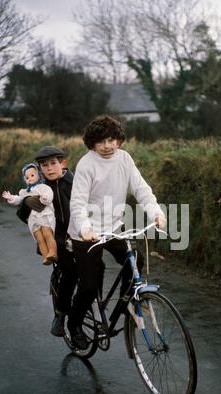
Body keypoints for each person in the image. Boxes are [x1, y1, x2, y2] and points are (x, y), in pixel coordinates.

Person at [67, 115, 166, 349]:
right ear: (92, 143)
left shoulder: (124, 159)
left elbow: (141, 188)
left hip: (112, 228)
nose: (107, 146)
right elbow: (78, 202)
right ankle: (74, 324)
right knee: (89, 285)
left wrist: (155, 212)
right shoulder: (87, 164)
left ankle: (127, 303)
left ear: (119, 140)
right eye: (101, 142)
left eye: (112, 140)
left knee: (136, 261)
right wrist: (85, 228)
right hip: (85, 233)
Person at [16, 147, 78, 338]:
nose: (50, 168)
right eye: (45, 165)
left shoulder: (74, 182)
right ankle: (60, 315)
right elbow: (21, 214)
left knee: (95, 267)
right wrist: (26, 203)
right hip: (55, 239)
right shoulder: (39, 188)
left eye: (53, 163)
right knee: (71, 271)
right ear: (40, 169)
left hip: (78, 234)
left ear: (63, 164)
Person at [3, 163, 57, 265]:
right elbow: (19, 199)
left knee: (47, 234)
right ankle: (46, 257)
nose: (30, 179)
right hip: (33, 220)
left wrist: (44, 198)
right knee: (39, 239)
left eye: (32, 175)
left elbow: (49, 195)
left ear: (38, 175)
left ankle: (53, 252)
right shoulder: (24, 192)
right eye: (27, 177)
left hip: (44, 216)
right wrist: (11, 198)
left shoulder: (43, 187)